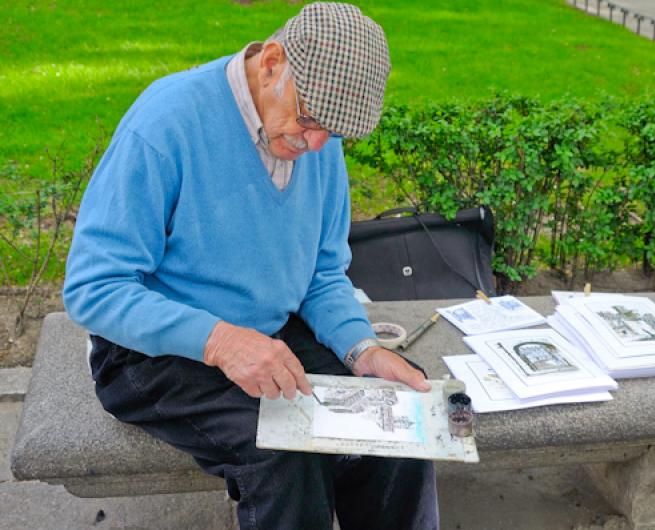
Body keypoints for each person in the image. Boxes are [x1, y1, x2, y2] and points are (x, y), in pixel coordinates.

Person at [63, 3, 439, 529]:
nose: (315, 145)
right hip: (151, 351)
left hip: (269, 329)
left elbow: (323, 274)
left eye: (332, 133)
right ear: (271, 63)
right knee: (284, 453)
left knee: (396, 424)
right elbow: (93, 288)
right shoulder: (167, 122)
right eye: (309, 120)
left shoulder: (316, 141)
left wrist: (362, 349)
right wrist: (222, 342)